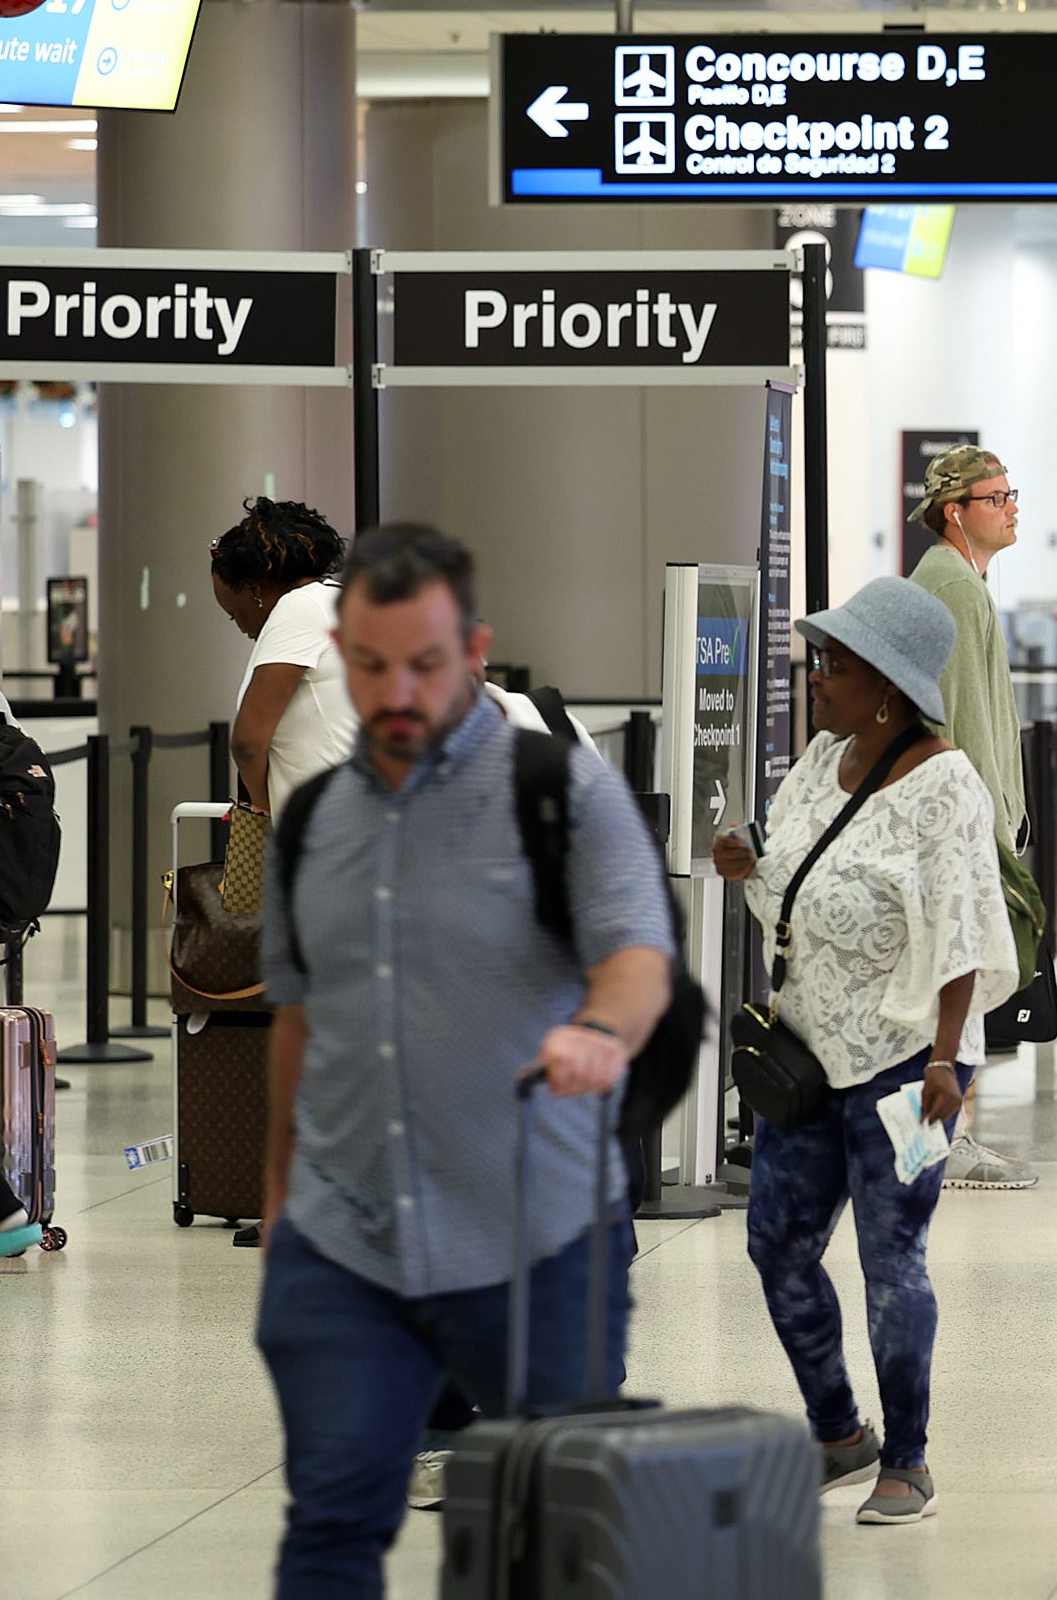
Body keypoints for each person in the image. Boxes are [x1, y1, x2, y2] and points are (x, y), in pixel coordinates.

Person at [254, 525, 679, 1598]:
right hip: (353, 1237)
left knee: (549, 1523)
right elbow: (298, 1019)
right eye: (371, 662)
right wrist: (278, 1208)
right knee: (332, 1524)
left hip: (533, 1228)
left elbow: (638, 956)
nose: (397, 689)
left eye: (424, 661)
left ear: (475, 649)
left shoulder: (560, 792)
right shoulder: (313, 823)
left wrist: (600, 1030)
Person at [713, 575, 1018, 1526]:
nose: (816, 679)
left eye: (832, 664)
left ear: (886, 684)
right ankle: (838, 1429)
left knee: (895, 1261)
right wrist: (748, 868)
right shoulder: (815, 763)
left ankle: (911, 1457)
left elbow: (965, 928)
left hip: (910, 1069)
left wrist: (944, 1066)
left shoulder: (945, 785)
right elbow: (794, 902)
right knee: (778, 1248)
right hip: (804, 1062)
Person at [907, 446, 1043, 1190]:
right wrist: (977, 818)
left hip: (969, 813)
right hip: (958, 821)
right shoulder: (953, 587)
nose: (1011, 506)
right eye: (996, 497)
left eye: (1010, 493)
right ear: (955, 510)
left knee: (965, 977)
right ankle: (937, 1140)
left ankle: (945, 1136)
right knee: (958, 980)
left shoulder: (961, 582)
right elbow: (954, 712)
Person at [211, 498, 356, 817]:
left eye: (235, 614)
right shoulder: (336, 599)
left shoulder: (297, 609)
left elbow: (247, 743)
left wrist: (264, 807)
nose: (242, 628)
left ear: (254, 591)